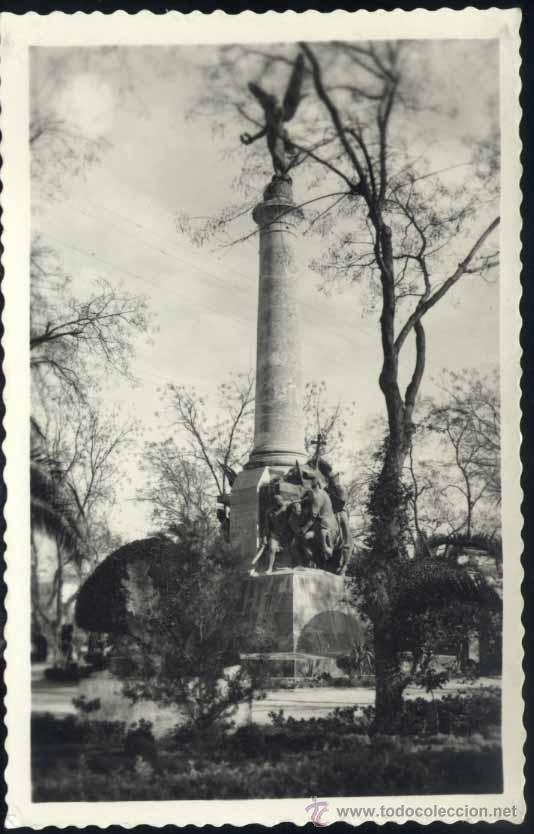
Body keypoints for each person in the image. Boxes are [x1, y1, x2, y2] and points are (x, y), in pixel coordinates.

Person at [250, 494, 289, 575]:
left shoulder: (286, 507)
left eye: (281, 500)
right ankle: (269, 568)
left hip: (285, 534)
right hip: (274, 534)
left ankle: (281, 565)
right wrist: (264, 537)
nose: (281, 502)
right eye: (279, 501)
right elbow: (267, 526)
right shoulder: (269, 512)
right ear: (275, 503)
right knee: (272, 548)